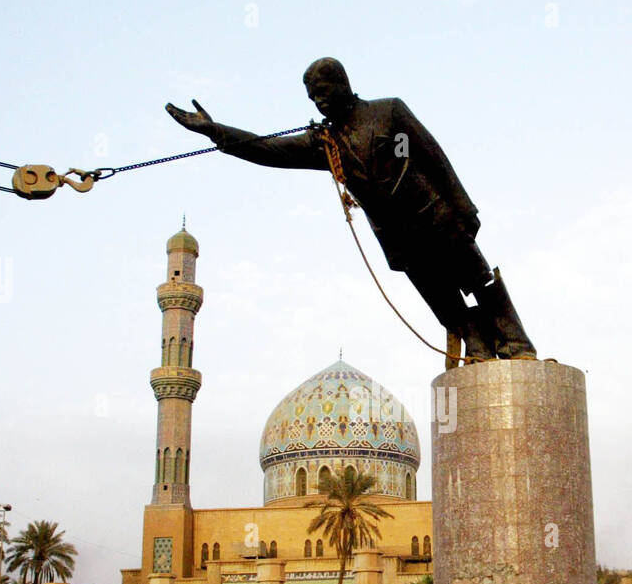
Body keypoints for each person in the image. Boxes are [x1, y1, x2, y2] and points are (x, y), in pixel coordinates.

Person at [166, 57, 536, 363]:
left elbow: (433, 156)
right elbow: (270, 150)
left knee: (479, 279)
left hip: (434, 216)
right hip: (400, 238)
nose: (320, 103)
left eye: (324, 93)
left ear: (342, 83)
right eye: (313, 99)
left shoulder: (388, 113)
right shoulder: (325, 144)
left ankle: (515, 345)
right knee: (442, 297)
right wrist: (216, 132)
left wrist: (463, 206)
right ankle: (479, 349)